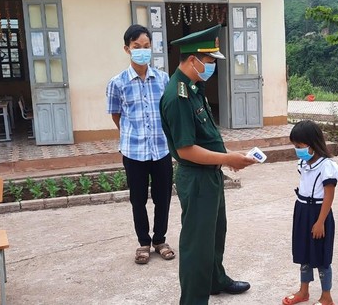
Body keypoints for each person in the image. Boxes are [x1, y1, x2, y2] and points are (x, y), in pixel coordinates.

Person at [159, 25, 257, 304]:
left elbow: (207, 136)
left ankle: (216, 280)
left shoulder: (194, 88)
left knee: (215, 233)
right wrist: (228, 159)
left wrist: (229, 159)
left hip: (210, 175)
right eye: (211, 60)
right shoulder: (177, 96)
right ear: (193, 60)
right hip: (197, 177)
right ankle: (193, 299)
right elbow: (186, 150)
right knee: (197, 245)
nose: (213, 65)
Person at [106, 24, 175, 264]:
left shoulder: (163, 79)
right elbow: (116, 114)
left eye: (146, 47)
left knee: (163, 197)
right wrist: (130, 134)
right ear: (127, 49)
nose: (142, 51)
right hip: (133, 151)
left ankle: (160, 240)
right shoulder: (118, 82)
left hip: (161, 149)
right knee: (138, 199)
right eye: (137, 47)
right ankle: (143, 243)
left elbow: (168, 111)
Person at [282, 120, 338, 305]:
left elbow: (329, 197)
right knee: (303, 253)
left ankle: (326, 296)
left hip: (318, 213)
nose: (297, 149)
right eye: (295, 146)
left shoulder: (327, 166)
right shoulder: (304, 163)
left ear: (313, 144)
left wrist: (321, 221)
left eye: (300, 146)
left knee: (322, 257)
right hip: (302, 211)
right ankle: (303, 291)